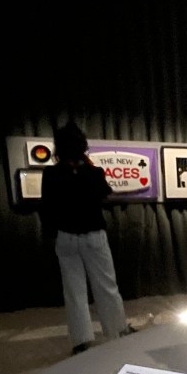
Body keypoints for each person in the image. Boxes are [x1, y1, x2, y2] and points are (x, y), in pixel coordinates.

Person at [39, 120, 135, 355]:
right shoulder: (93, 173)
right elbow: (105, 195)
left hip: (66, 237)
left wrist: (50, 234)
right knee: (106, 286)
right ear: (82, 145)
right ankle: (117, 330)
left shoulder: (50, 174)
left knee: (74, 291)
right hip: (93, 235)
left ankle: (81, 341)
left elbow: (47, 207)